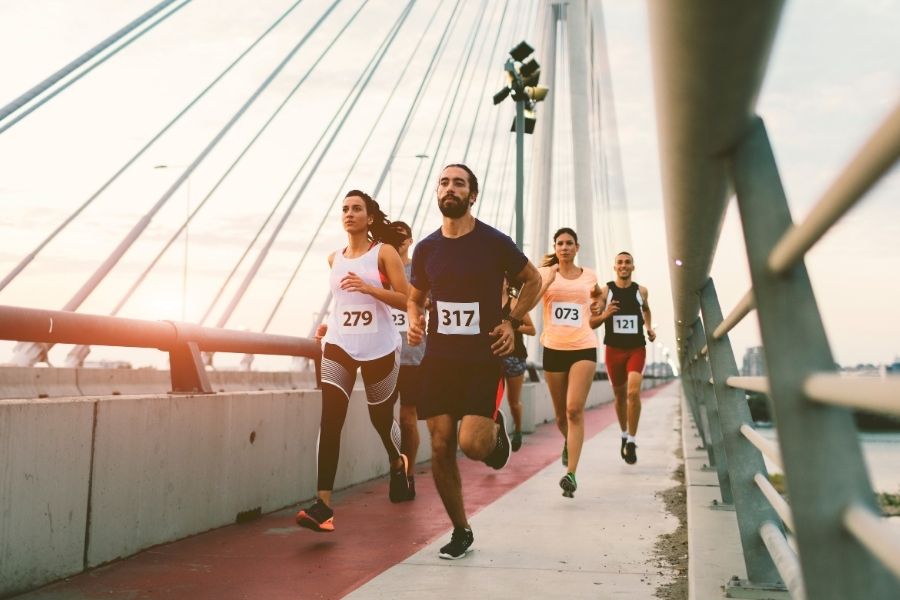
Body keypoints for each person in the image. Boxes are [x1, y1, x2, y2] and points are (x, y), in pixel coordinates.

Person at [407, 163, 541, 560]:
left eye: (459, 183)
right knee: (442, 443)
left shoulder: (494, 243)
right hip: (439, 360)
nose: (450, 189)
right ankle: (461, 529)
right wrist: (415, 321)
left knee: (472, 445)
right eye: (444, 183)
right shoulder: (426, 248)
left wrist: (512, 322)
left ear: (472, 195)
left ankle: (494, 432)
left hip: (483, 359)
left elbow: (534, 280)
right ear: (437, 193)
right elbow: (415, 298)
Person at [295, 190, 411, 533]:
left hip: (380, 347)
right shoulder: (334, 258)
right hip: (340, 345)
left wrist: (371, 288)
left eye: (356, 209)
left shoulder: (384, 253)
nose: (349, 213)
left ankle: (396, 460)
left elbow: (407, 300)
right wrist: (331, 324)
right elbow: (344, 303)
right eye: (345, 209)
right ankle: (323, 506)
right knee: (330, 419)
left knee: (379, 418)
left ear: (369, 217)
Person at [536, 228, 613, 498]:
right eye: (560, 243)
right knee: (560, 416)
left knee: (573, 411)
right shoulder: (547, 274)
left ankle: (571, 473)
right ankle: (568, 442)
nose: (565, 247)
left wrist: (598, 305)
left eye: (569, 243)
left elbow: (598, 294)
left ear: (577, 247)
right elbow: (531, 296)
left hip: (583, 346)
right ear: (555, 247)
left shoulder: (589, 275)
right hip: (554, 348)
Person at [593, 251, 655, 465]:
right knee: (619, 397)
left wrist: (649, 328)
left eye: (627, 262)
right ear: (614, 267)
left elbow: (646, 310)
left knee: (633, 391)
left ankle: (632, 440)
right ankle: (623, 434)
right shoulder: (606, 291)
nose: (624, 265)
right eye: (620, 262)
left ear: (633, 267)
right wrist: (604, 314)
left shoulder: (641, 291)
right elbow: (594, 319)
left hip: (636, 348)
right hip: (613, 351)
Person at [390, 220, 423, 500]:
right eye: (391, 237)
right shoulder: (379, 271)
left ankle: (408, 475)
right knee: (383, 420)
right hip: (383, 355)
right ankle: (396, 467)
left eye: (401, 237)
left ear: (410, 240)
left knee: (407, 417)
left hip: (414, 357)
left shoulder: (421, 272)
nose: (396, 241)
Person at [501, 279, 536, 451]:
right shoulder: (486, 301)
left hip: (515, 357)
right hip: (494, 356)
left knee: (513, 401)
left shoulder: (514, 303)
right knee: (490, 399)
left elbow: (532, 329)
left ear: (507, 283)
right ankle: (495, 434)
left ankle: (518, 431)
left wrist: (512, 325)